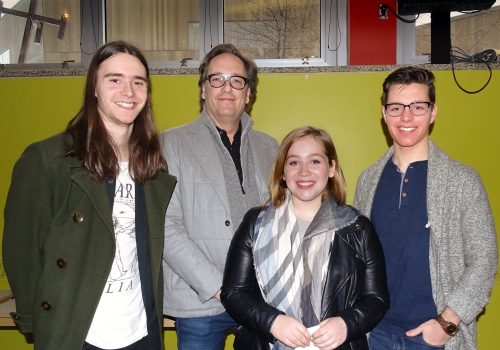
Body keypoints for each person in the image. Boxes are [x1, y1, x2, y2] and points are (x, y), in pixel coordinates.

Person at [2, 41, 176, 350]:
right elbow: (21, 250)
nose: (129, 91)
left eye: (139, 82)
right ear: (94, 87)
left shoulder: (152, 167)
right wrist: (34, 318)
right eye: (114, 79)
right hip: (78, 335)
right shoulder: (49, 160)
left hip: (141, 333)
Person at [353, 66, 498, 350]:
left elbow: (484, 259)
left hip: (435, 338)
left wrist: (447, 323)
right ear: (383, 114)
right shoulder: (367, 180)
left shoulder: (462, 181)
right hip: (375, 334)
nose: (406, 117)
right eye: (396, 107)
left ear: (433, 113)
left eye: (418, 106)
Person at [221, 126, 389, 350]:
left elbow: (377, 299)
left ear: (331, 168)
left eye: (315, 162)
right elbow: (233, 293)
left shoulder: (358, 227)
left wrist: (346, 324)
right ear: (282, 172)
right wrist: (273, 322)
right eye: (293, 162)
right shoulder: (256, 223)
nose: (304, 172)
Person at [160, 43, 278, 349]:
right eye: (217, 79)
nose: (227, 88)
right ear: (202, 89)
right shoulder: (169, 144)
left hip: (260, 300)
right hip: (201, 301)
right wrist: (220, 289)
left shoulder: (270, 148)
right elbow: (165, 227)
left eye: (237, 80)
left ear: (248, 93)